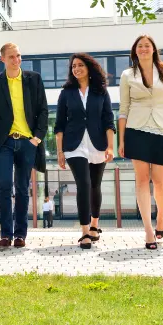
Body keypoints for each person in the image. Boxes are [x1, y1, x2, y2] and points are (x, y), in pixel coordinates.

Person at [118, 35, 163, 250]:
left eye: (147, 46)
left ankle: (161, 217)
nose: (143, 49)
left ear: (153, 49)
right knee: (142, 181)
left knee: (160, 181)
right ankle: (148, 231)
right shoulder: (127, 75)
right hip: (136, 129)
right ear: (135, 51)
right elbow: (123, 109)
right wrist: (121, 140)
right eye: (139, 46)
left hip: (162, 129)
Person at [0, 43, 49, 249]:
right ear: (2, 59)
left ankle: (20, 234)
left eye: (18, 56)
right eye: (11, 57)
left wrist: (36, 138)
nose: (16, 60)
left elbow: (43, 110)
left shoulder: (33, 79)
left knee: (21, 188)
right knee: (3, 186)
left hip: (28, 142)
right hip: (3, 143)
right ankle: (5, 234)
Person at [54, 53, 115, 250]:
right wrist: (60, 152)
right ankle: (84, 232)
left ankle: (95, 225)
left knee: (95, 185)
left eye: (80, 65)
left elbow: (108, 120)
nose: (76, 69)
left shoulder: (101, 92)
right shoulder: (66, 93)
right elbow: (59, 124)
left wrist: (111, 146)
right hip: (74, 145)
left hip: (98, 144)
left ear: (89, 68)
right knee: (84, 183)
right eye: (73, 66)